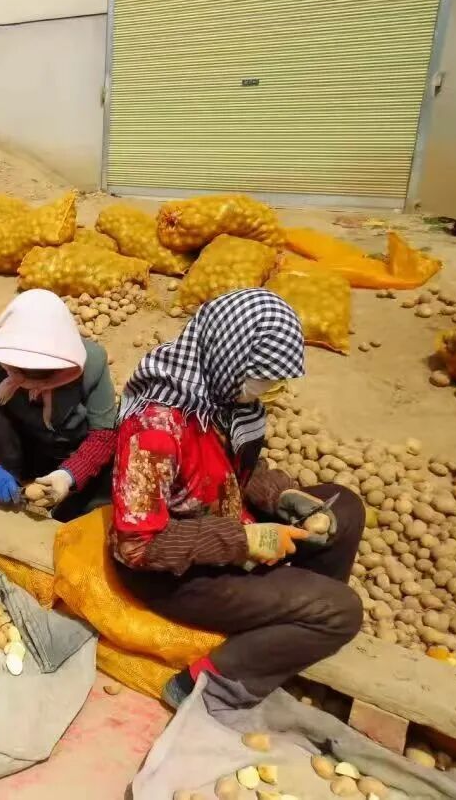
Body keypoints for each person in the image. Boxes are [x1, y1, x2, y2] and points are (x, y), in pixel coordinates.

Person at [109, 288, 363, 709]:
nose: (269, 388)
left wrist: (282, 496)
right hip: (174, 573)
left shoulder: (222, 400)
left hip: (222, 526)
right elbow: (137, 546)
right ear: (229, 354)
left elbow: (232, 472)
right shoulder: (155, 430)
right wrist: (245, 540)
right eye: (261, 376)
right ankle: (202, 684)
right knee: (343, 612)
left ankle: (290, 623)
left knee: (345, 506)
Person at [0, 289, 117, 521]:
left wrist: (69, 475)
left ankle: (69, 505)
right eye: (24, 369)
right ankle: (12, 482)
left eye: (44, 371)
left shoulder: (92, 362)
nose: (32, 377)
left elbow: (103, 436)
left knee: (117, 461)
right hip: (21, 448)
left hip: (70, 449)